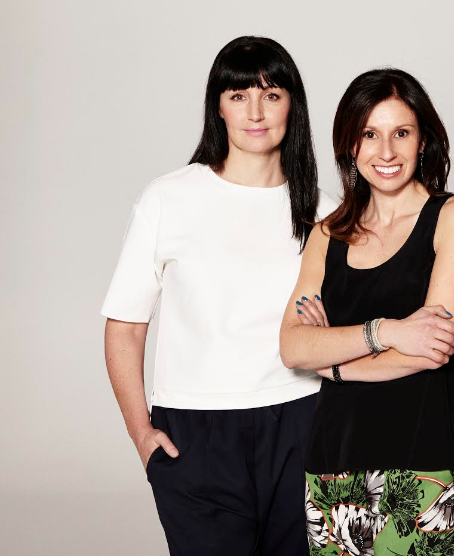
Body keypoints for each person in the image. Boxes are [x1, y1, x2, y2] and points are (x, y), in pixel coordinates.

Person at [101, 36, 336, 555]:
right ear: (219, 106)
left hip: (302, 417)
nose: (255, 112)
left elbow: (343, 331)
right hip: (197, 427)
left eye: (271, 95)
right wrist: (141, 434)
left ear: (292, 105)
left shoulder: (325, 211)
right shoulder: (168, 198)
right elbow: (125, 327)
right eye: (238, 95)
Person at [278, 68, 454, 555]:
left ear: (423, 141)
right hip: (335, 462)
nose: (386, 151)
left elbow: (431, 349)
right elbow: (293, 346)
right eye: (370, 134)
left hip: (426, 464)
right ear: (350, 144)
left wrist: (333, 364)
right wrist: (387, 331)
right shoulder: (327, 234)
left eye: (401, 133)